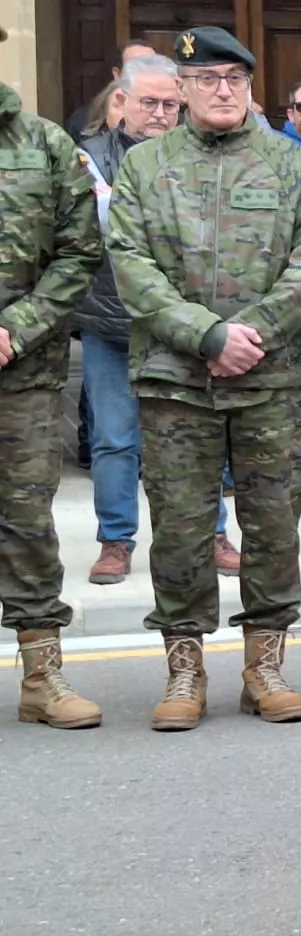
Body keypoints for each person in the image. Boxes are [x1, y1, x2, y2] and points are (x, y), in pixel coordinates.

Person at [106, 25, 301, 729]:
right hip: (177, 383)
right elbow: (130, 265)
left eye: (235, 79)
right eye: (208, 79)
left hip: (272, 379)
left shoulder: (289, 164)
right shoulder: (145, 168)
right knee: (179, 528)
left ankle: (265, 665)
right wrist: (204, 334)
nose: (224, 91)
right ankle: (184, 669)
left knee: (272, 526)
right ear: (181, 88)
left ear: (249, 85)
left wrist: (250, 334)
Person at [76, 54, 242, 586]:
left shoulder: (200, 154)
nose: (162, 113)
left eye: (171, 103)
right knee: (115, 439)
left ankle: (212, 533)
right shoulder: (90, 160)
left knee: (201, 434)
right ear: (120, 101)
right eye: (150, 102)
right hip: (113, 322)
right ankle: (116, 541)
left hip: (185, 325)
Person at [1, 55, 103, 728]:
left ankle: (42, 677)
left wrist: (19, 325)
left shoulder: (42, 143)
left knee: (25, 523)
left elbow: (80, 250)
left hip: (24, 374)